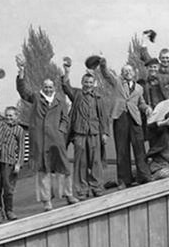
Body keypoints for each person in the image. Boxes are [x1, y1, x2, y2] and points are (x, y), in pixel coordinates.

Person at [14, 56, 75, 211]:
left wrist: (61, 131)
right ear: (42, 87)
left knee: (64, 168)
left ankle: (68, 195)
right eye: (46, 86)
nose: (48, 89)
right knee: (43, 170)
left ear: (54, 88)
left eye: (50, 86)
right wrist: (22, 70)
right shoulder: (35, 97)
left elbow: (65, 119)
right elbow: (23, 90)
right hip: (40, 140)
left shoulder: (60, 99)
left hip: (57, 140)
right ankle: (47, 201)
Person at [61, 59, 110, 199]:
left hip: (95, 133)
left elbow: (103, 117)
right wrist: (67, 71)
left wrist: (105, 133)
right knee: (81, 163)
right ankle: (82, 190)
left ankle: (97, 187)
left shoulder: (99, 98)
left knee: (96, 162)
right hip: (80, 134)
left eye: (90, 83)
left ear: (94, 84)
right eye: (86, 82)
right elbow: (65, 86)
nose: (88, 85)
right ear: (82, 83)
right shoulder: (76, 94)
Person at [0, 76, 26, 224]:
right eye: (7, 116)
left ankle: (9, 211)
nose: (8, 118)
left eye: (11, 116)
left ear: (16, 117)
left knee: (8, 188)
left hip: (9, 162)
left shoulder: (20, 130)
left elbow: (21, 148)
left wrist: (18, 164)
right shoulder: (1, 123)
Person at [105, 63, 151, 187]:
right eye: (125, 71)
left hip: (135, 119)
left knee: (139, 148)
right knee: (122, 150)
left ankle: (144, 176)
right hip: (120, 118)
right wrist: (103, 63)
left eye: (130, 70)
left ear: (134, 73)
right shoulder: (117, 83)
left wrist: (146, 108)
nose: (128, 72)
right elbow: (107, 74)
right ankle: (124, 180)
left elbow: (141, 103)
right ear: (122, 73)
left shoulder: (139, 88)